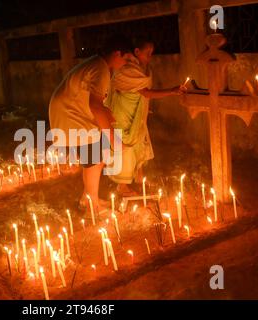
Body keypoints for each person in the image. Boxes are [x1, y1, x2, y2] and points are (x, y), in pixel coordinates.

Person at [49, 35, 133, 215]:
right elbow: (94, 105)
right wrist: (114, 140)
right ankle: (91, 205)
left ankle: (88, 199)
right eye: (125, 59)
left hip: (73, 111)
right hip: (71, 114)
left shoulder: (98, 65)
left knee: (97, 157)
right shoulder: (101, 69)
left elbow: (95, 102)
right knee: (94, 158)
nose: (125, 64)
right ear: (117, 53)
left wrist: (108, 118)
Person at [105, 38, 186, 196]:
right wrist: (172, 91)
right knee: (125, 148)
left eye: (152, 53)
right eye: (148, 53)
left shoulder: (141, 69)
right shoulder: (128, 69)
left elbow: (143, 90)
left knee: (138, 144)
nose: (150, 56)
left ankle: (138, 177)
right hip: (122, 114)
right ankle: (121, 187)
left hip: (134, 114)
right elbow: (146, 93)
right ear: (136, 52)